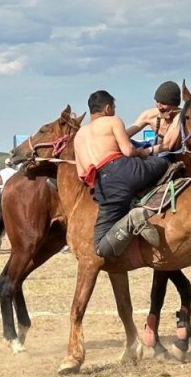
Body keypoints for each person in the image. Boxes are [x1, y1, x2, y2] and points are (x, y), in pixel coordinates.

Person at [75, 90, 169, 258]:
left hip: (104, 185)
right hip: (125, 169)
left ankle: (129, 218)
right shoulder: (112, 121)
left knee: (100, 248)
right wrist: (144, 151)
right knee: (163, 163)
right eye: (114, 107)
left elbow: (81, 173)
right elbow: (128, 150)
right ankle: (138, 214)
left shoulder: (79, 135)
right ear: (107, 108)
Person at [125, 81, 183, 155]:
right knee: (127, 143)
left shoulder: (180, 117)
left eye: (163, 103)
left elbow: (167, 145)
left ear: (174, 105)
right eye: (157, 101)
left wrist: (143, 152)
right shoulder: (149, 115)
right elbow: (126, 134)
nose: (159, 106)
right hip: (151, 145)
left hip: (170, 151)